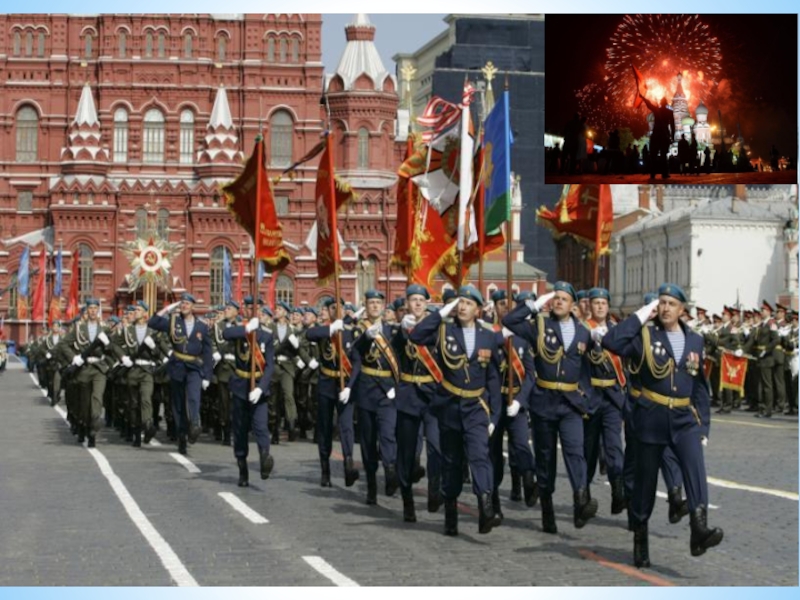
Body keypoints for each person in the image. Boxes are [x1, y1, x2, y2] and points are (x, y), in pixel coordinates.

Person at [602, 283, 722, 568]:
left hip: (683, 419)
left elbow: (700, 387)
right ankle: (640, 536)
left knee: (695, 469)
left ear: (682, 310)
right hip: (651, 417)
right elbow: (610, 342)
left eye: (671, 303)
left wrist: (703, 426)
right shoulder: (645, 334)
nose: (666, 308)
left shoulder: (695, 340)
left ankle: (699, 529)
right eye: (662, 302)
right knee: (645, 483)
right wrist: (641, 315)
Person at [502, 282, 598, 534]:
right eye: (556, 298)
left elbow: (588, 370)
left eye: (564, 299)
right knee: (545, 458)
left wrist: (586, 396)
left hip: (570, 403)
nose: (558, 302)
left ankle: (580, 499)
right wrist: (533, 305)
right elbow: (510, 320)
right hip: (544, 401)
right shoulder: (540, 326)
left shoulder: (583, 332)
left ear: (573, 305)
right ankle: (547, 507)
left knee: (576, 451)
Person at [409, 285, 502, 535]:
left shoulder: (487, 337)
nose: (463, 307)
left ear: (478, 309)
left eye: (469, 304)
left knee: (479, 456)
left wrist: (494, 414)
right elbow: (416, 336)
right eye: (460, 302)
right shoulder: (443, 330)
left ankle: (485, 506)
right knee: (451, 462)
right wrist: (439, 314)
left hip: (476, 407)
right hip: (449, 405)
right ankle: (450, 510)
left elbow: (493, 378)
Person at [392, 284, 443, 522]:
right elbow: (395, 352)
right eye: (413, 300)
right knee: (407, 450)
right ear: (407, 305)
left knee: (436, 446)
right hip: (409, 396)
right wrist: (403, 331)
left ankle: (435, 488)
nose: (418, 304)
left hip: (433, 396)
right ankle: (407, 500)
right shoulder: (400, 330)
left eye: (421, 300)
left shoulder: (436, 329)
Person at [489, 290, 538, 520]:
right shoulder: (489, 334)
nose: (506, 309)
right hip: (494, 403)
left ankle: (529, 480)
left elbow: (530, 374)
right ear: (495, 308)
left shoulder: (523, 337)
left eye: (511, 305)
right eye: (501, 304)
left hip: (515, 402)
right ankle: (494, 500)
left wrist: (520, 400)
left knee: (521, 445)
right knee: (494, 454)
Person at [305, 298, 362, 488]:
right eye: (333, 308)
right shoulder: (324, 331)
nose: (337, 310)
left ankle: (348, 463)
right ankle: (325, 470)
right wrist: (330, 329)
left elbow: (356, 363)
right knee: (325, 427)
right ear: (328, 311)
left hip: (344, 385)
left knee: (346, 426)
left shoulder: (352, 332)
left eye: (341, 307)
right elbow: (309, 334)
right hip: (326, 384)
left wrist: (350, 386)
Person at [148, 293, 213, 455]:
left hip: (194, 367)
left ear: (192, 307)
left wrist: (207, 375)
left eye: (187, 304)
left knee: (193, 396)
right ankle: (182, 435)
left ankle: (195, 424)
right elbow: (153, 322)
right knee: (177, 404)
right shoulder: (173, 322)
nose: (184, 306)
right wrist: (168, 308)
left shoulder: (201, 326)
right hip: (177, 366)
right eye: (182, 303)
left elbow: (207, 352)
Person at [351, 290, 400, 505]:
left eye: (378, 303)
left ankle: (390, 471)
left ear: (383, 306)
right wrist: (365, 338)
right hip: (366, 389)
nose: (374, 306)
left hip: (387, 390)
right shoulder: (358, 331)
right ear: (365, 305)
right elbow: (354, 353)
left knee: (388, 434)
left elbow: (399, 358)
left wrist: (394, 386)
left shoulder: (392, 331)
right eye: (371, 303)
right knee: (368, 440)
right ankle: (371, 484)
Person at [583, 287, 626, 515]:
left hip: (611, 398)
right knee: (588, 450)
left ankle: (618, 492)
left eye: (603, 303)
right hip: (591, 398)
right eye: (596, 302)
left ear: (608, 306)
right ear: (589, 305)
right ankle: (584, 495)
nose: (599, 306)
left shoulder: (616, 331)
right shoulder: (582, 330)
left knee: (614, 446)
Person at [222, 314, 275, 487]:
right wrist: (246, 329)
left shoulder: (266, 336)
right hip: (240, 387)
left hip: (258, 387)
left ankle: (264, 456)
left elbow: (270, 366)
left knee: (261, 426)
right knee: (240, 430)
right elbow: (225, 334)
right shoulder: (239, 333)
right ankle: (242, 469)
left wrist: (261, 388)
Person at [59, 299, 114, 447]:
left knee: (97, 399)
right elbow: (63, 344)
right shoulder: (78, 328)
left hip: (99, 369)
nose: (93, 311)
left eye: (96, 308)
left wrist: (107, 344)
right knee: (84, 405)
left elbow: (112, 349)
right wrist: (73, 358)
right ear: (87, 310)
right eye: (90, 308)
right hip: (83, 369)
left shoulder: (105, 329)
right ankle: (84, 426)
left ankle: (93, 429)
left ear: (98, 310)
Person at [640, 95, 674, 180]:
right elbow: (673, 125)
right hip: (664, 134)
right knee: (663, 155)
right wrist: (672, 136)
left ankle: (652, 174)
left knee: (653, 155)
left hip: (656, 134)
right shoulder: (669, 112)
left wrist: (643, 98)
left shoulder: (657, 110)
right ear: (666, 103)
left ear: (660, 103)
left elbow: (649, 105)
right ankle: (664, 173)